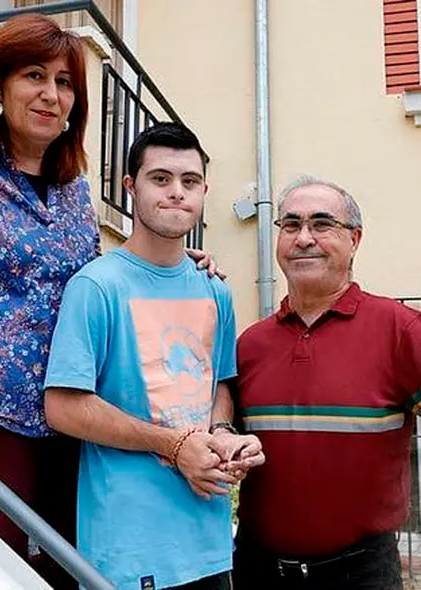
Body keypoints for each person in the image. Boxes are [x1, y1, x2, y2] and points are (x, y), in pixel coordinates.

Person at [0, 14, 219, 588]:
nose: (52, 94)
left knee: (67, 568)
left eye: (66, 81)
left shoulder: (72, 184)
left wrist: (175, 265)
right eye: (34, 75)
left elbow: (90, 276)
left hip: (70, 411)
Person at [230, 174, 421, 589]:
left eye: (321, 223)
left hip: (360, 574)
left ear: (355, 239)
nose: (303, 238)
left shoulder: (402, 330)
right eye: (291, 225)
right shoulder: (250, 344)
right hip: (258, 571)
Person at [42, 122, 264, 590]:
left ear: (204, 191)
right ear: (130, 187)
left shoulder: (214, 289)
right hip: (128, 547)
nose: (177, 193)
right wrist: (174, 445)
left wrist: (223, 434)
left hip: (209, 541)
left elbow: (218, 385)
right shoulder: (96, 286)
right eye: (160, 179)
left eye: (190, 181)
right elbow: (62, 406)